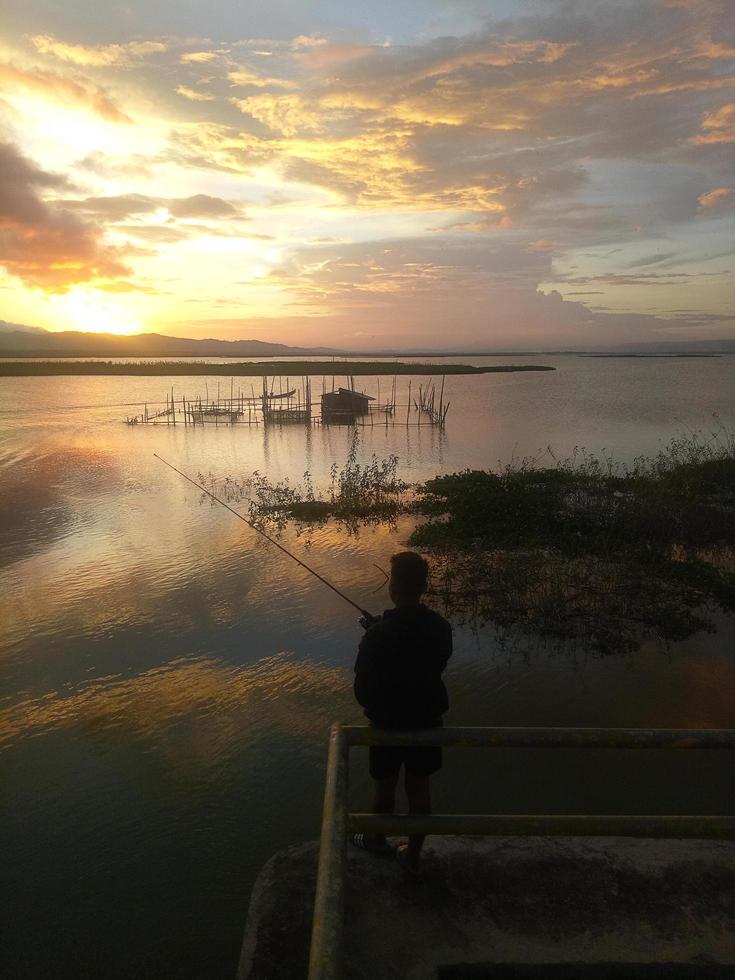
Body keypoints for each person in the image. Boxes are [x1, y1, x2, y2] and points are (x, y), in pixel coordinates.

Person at [353, 551, 452, 873]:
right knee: (419, 787)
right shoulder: (441, 628)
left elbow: (362, 692)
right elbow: (435, 662)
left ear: (393, 587)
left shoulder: (376, 637)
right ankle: (413, 853)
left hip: (387, 726)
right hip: (427, 721)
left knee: (384, 786)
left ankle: (376, 841)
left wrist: (376, 634)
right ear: (423, 587)